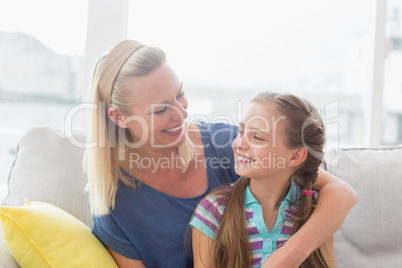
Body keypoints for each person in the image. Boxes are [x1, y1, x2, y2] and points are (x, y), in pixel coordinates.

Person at [84, 39, 357, 268]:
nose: (181, 114)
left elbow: (341, 193)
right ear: (119, 117)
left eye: (180, 94)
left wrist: (288, 256)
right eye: (160, 109)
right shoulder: (112, 205)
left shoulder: (228, 143)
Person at [190, 92, 335, 268]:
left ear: (296, 155)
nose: (239, 144)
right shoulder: (213, 211)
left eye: (257, 137)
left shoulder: (317, 212)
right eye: (241, 131)